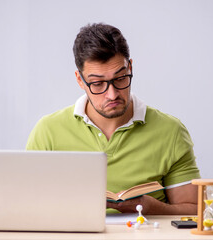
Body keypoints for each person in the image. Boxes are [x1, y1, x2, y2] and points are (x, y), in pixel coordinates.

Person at [26, 23, 201, 215]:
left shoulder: (171, 132)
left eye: (120, 78)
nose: (112, 94)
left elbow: (193, 212)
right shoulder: (48, 132)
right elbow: (28, 206)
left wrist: (151, 208)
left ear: (130, 67)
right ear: (79, 80)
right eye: (98, 83)